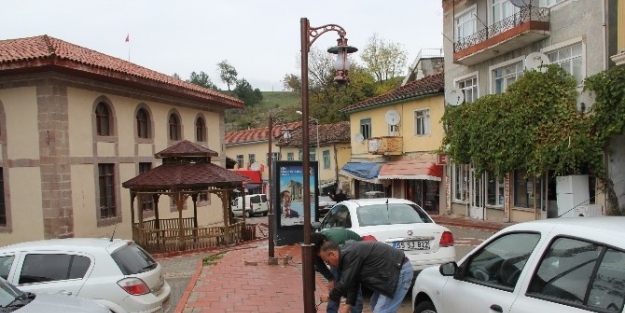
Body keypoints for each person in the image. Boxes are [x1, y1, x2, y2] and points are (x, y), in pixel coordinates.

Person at [319, 241, 413, 313]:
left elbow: (344, 283)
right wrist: (348, 305)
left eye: (328, 262)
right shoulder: (346, 257)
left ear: (332, 254)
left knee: (381, 310)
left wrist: (329, 296)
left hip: (399, 272)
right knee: (374, 302)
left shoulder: (350, 254)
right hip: (390, 274)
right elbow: (352, 282)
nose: (330, 265)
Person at [311, 230, 363, 313]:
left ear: (324, 243)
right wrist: (330, 278)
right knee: (334, 285)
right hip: (340, 255)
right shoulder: (314, 245)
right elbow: (319, 264)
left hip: (355, 251)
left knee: (353, 286)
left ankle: (355, 311)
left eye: (319, 252)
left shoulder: (336, 243)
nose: (319, 255)